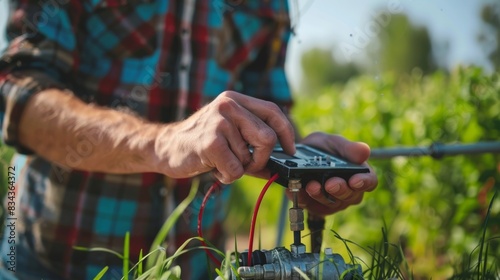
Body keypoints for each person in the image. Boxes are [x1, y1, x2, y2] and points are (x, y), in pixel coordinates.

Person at [0, 1, 378, 279]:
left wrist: (300, 160)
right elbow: (18, 99)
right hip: (51, 262)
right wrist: (162, 144)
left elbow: (268, 110)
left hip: (197, 265)